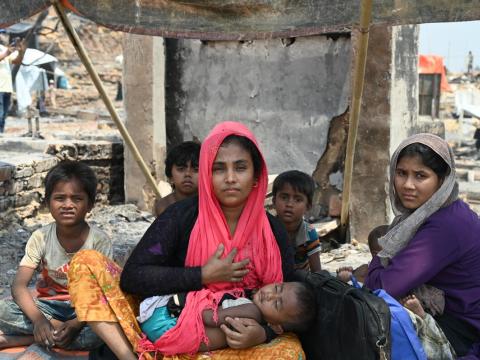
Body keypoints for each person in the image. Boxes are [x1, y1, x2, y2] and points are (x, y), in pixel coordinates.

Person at [67, 122, 301, 359]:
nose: (230, 178)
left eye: (240, 168)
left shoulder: (273, 231)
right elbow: (133, 276)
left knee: (289, 353)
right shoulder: (181, 216)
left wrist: (263, 334)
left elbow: (292, 301)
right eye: (218, 169)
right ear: (207, 175)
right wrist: (202, 275)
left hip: (232, 345)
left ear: (256, 176)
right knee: (86, 262)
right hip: (169, 323)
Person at [364, 133, 480, 359]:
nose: (408, 185)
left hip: (462, 334)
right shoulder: (441, 213)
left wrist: (379, 258)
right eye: (401, 173)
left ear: (442, 180)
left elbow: (380, 287)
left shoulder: (446, 226)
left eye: (420, 176)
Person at [0, 161, 112, 350]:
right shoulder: (41, 237)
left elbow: (105, 292)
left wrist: (76, 324)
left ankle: (20, 339)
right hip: (48, 308)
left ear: (90, 204)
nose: (67, 205)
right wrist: (39, 320)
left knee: (101, 333)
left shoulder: (99, 241)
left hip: (84, 312)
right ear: (47, 203)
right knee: (3, 310)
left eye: (76, 199)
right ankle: (52, 332)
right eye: (60, 198)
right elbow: (19, 286)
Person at [138, 281, 315, 351]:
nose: (270, 295)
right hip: (166, 339)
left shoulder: (252, 311)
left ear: (276, 326)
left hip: (162, 324)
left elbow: (209, 318)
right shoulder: (257, 331)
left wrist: (195, 300)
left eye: (276, 304)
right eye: (277, 288)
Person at [272, 170, 321, 272]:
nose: (289, 204)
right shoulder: (266, 230)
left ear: (308, 206)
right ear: (273, 201)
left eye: (298, 200)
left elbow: (317, 273)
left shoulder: (309, 233)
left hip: (300, 282)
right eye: (284, 197)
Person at [153, 141, 200, 217]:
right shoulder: (163, 206)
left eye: (196, 170)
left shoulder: (209, 205)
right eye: (181, 169)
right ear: (170, 175)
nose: (187, 174)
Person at [0, 37, 26, 133]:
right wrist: (7, 53)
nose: (2, 35)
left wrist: (21, 53)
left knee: (3, 116)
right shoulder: (5, 51)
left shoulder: (3, 48)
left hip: (6, 87)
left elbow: (16, 61)